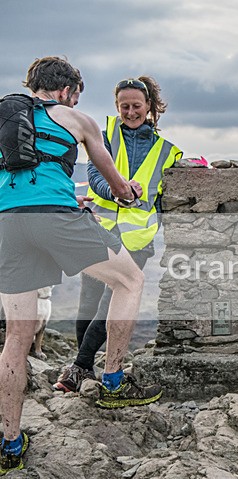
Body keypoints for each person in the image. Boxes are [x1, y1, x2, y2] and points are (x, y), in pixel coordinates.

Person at [0, 57, 161, 475]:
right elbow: (119, 187)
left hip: (9, 224)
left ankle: (10, 443)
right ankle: (113, 381)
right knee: (131, 281)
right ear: (69, 91)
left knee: (17, 336)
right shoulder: (78, 119)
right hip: (55, 217)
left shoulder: (7, 118)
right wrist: (130, 192)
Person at [54, 76, 182, 393]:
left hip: (137, 241)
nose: (129, 111)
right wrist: (120, 193)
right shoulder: (105, 133)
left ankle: (80, 367)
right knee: (88, 304)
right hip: (98, 229)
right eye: (124, 106)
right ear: (117, 106)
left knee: (110, 302)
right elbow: (97, 176)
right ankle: (85, 368)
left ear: (150, 106)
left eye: (136, 106)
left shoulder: (169, 152)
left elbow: (166, 201)